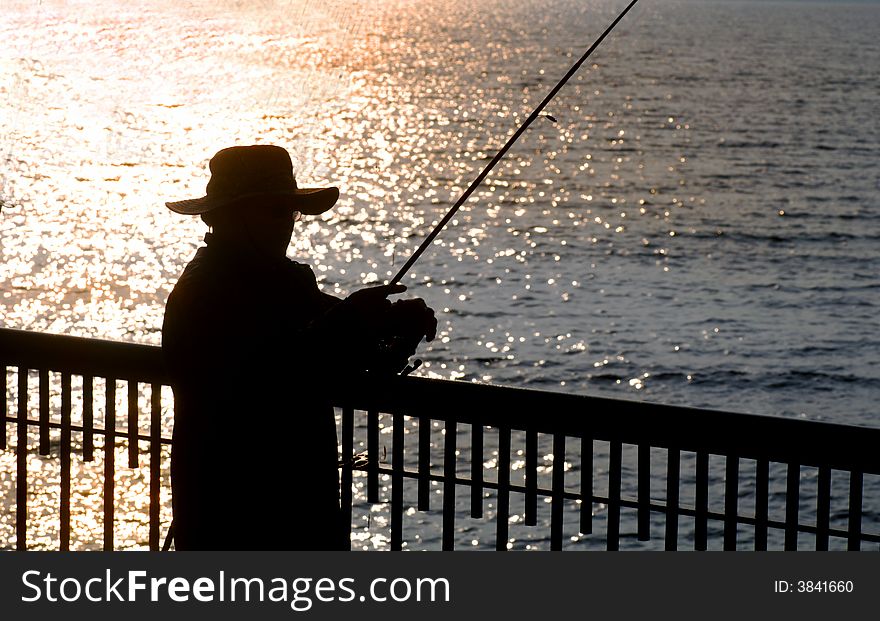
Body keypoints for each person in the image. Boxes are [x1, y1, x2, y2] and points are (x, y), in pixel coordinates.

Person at [161, 144, 436, 550]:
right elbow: (267, 377)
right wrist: (352, 320)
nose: (288, 225)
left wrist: (397, 330)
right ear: (233, 215)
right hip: (233, 515)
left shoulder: (285, 282)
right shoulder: (206, 290)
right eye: (275, 212)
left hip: (300, 512)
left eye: (291, 213)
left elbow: (349, 362)